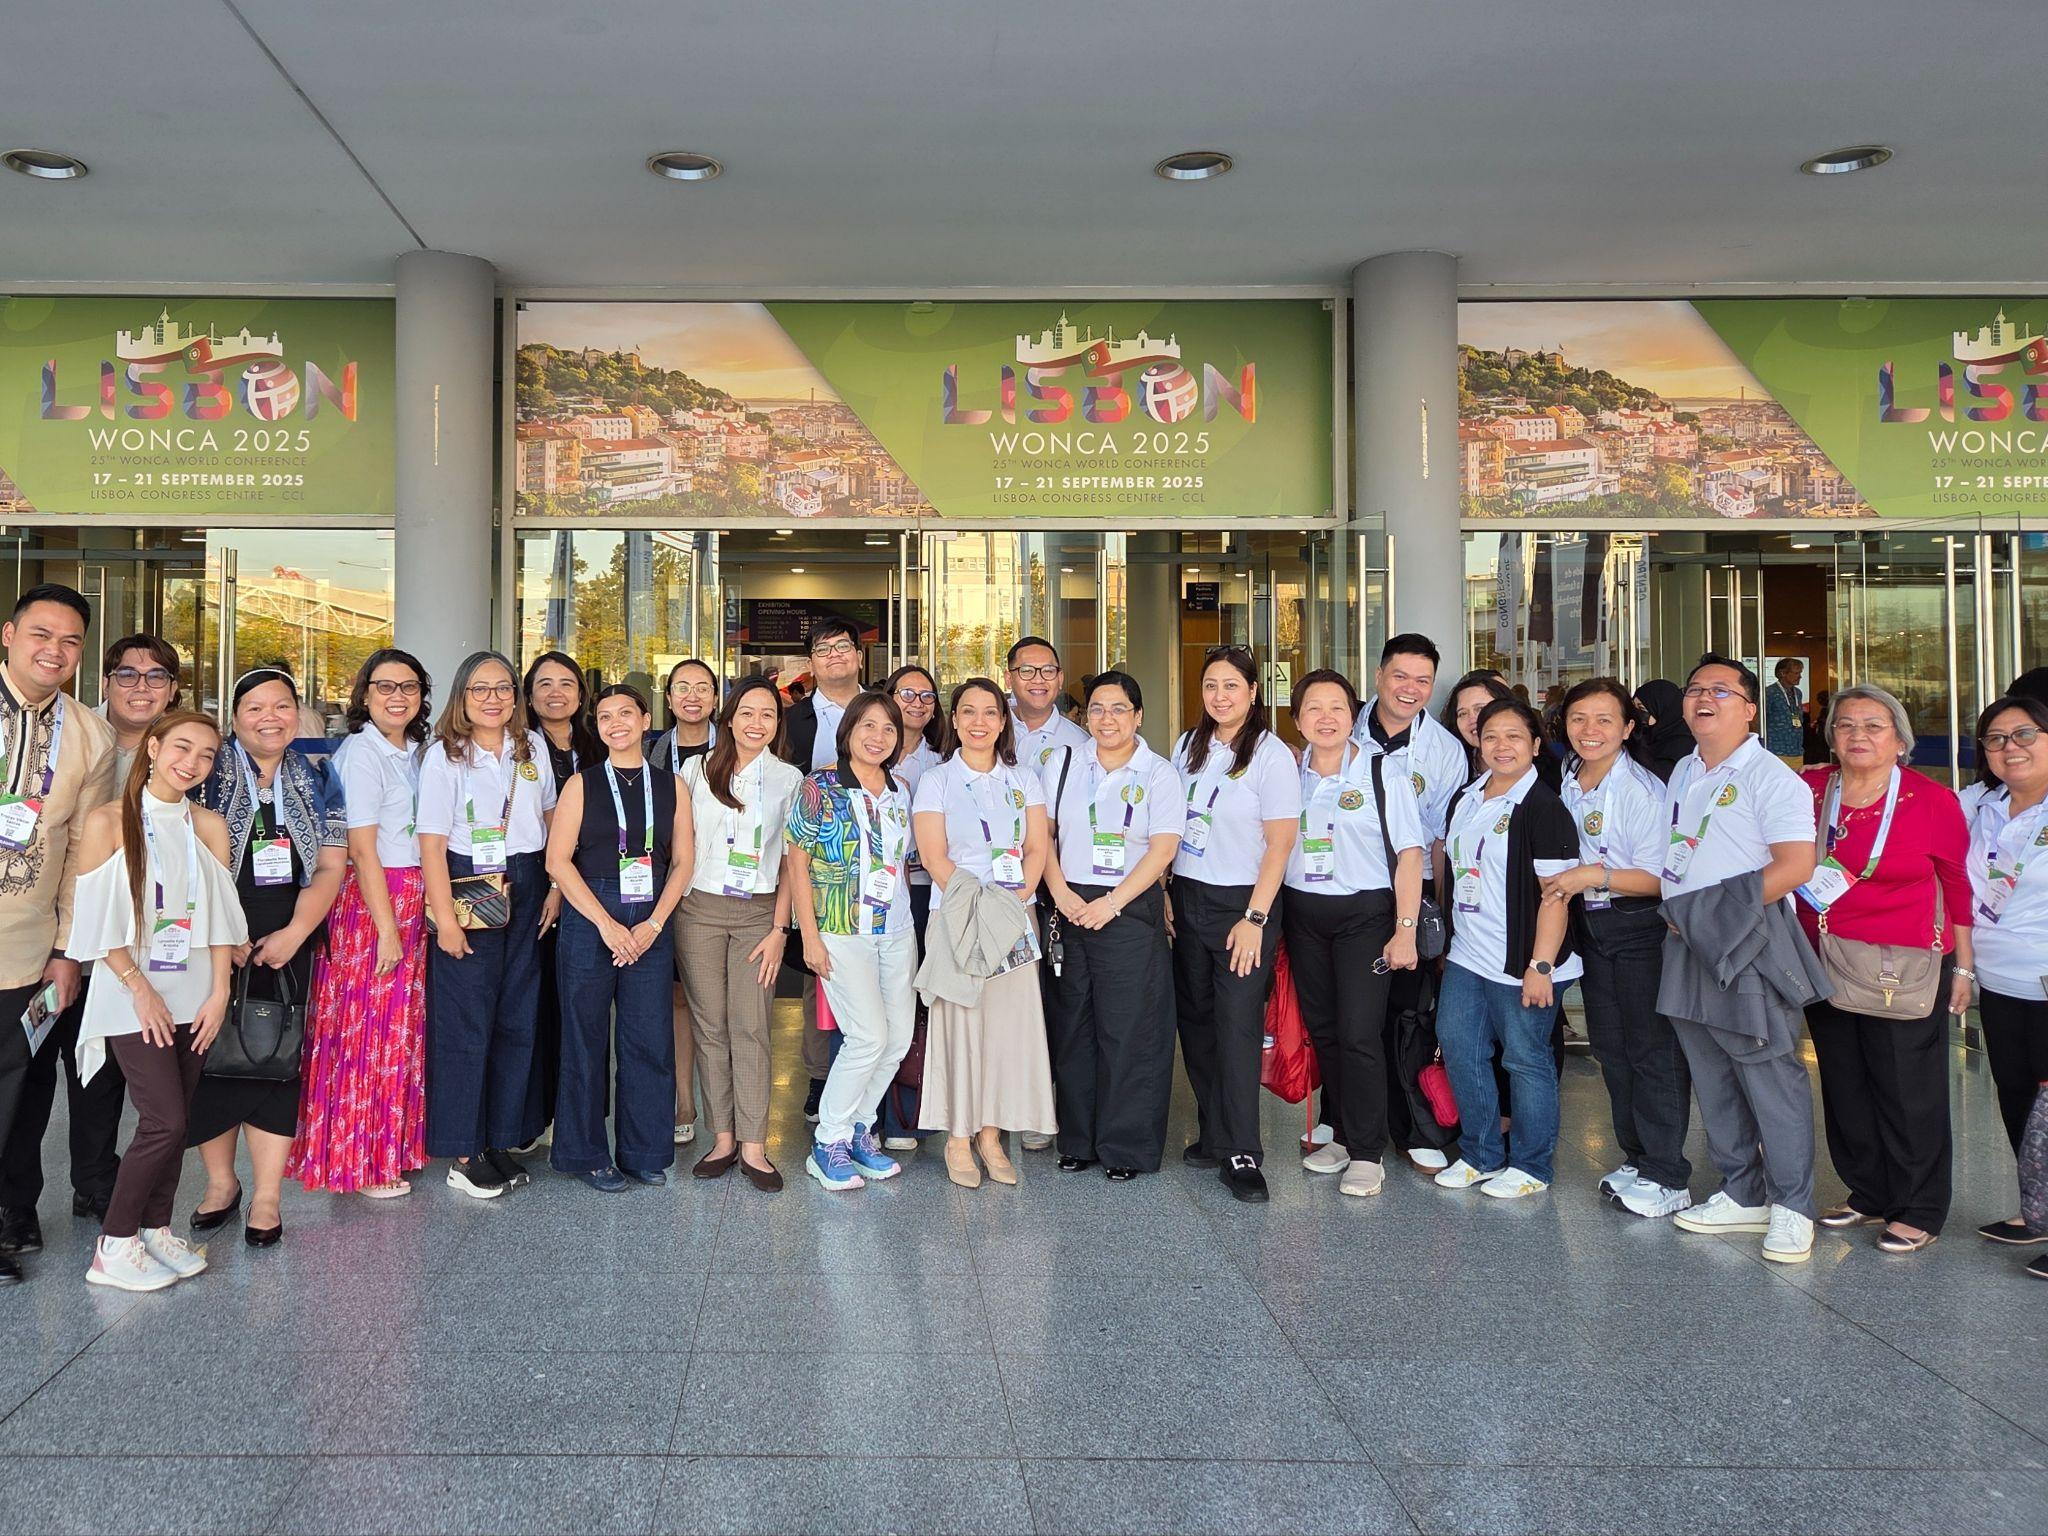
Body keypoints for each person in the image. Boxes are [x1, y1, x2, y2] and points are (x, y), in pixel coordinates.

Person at [0, 631, 170, 1237]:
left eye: (156, 676)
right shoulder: (80, 735)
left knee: (103, 1075)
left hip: (140, 949)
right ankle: (17, 1202)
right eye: (128, 674)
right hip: (61, 944)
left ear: (172, 689)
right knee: (36, 1066)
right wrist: (67, 946)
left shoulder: (184, 751)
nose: (141, 686)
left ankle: (95, 1184)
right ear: (106, 682)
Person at [67, 711, 242, 1290]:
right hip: (132, 993)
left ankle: (155, 1230)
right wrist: (139, 989)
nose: (191, 762)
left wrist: (220, 992)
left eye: (207, 755)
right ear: (154, 746)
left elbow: (221, 921)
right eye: (182, 747)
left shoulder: (209, 825)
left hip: (195, 992)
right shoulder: (107, 822)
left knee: (181, 1116)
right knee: (163, 1122)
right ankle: (114, 1245)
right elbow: (95, 926)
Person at [1660, 654, 1824, 1264]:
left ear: (1750, 709)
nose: (1705, 698)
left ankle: (1792, 1205)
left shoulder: (1771, 776)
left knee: (1770, 1074)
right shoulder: (1683, 768)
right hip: (1684, 939)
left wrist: (1715, 914)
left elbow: (1795, 866)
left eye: (1722, 691)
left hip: (1744, 939)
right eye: (1696, 689)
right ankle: (1741, 1190)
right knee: (1713, 1073)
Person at [1796, 685, 1969, 1255]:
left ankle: (1919, 1205)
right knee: (1845, 1083)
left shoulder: (1930, 799)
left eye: (1874, 726)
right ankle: (1869, 1190)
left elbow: (1956, 885)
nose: (1859, 736)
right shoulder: (1812, 788)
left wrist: (1964, 969)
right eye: (1846, 725)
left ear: (1899, 739)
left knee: (1906, 1089)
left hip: (1904, 961)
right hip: (1821, 956)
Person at [186, 666, 348, 1247]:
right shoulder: (206, 772)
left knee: (277, 1056)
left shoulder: (319, 777)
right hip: (212, 931)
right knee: (210, 1057)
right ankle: (221, 1184)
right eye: (255, 707)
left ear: (297, 713)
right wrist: (219, 933)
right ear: (235, 718)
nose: (269, 718)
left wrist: (298, 932)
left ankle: (268, 1195)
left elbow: (331, 863)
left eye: (281, 706)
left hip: (287, 933)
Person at [0, 585, 120, 1283]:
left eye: (71, 641)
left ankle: (16, 1213)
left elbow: (85, 851)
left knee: (24, 1085)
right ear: (8, 635)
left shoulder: (90, 734)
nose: (55, 650)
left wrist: (67, 950)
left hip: (29, 949)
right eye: (42, 634)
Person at [1539, 678, 1692, 1217]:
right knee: (1611, 1047)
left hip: (1639, 926)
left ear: (1628, 727)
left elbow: (1661, 878)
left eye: (1605, 720)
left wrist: (1592, 874)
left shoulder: (1641, 789)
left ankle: (1669, 1172)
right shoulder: (1569, 776)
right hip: (1593, 926)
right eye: (1579, 719)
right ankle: (1638, 1156)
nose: (1590, 731)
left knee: (1653, 1049)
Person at [287, 649, 432, 1198]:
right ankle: (360, 1160)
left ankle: (393, 1146)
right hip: (375, 901)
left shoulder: (416, 751)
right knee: (366, 1030)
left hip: (412, 892)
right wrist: (389, 929)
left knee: (401, 1029)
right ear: (364, 695)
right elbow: (362, 850)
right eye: (385, 686)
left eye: (410, 686)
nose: (398, 696)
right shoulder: (361, 754)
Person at [417, 650, 560, 1200]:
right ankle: (464, 1149)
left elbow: (548, 817)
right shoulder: (445, 757)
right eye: (481, 689)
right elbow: (430, 842)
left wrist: (550, 886)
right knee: (466, 1021)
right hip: (467, 881)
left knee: (516, 1017)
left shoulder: (532, 749)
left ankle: (500, 1137)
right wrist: (446, 921)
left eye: (503, 688)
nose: (494, 698)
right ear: (462, 697)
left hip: (524, 880)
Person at [1283, 669, 1424, 1198]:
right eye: (1313, 708)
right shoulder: (1286, 772)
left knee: (1361, 1031)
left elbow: (1410, 854)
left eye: (1337, 707)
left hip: (1366, 915)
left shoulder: (1383, 772)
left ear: (1353, 715)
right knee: (1326, 1031)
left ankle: (1368, 1151)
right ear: (1297, 720)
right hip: (1304, 913)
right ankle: (1340, 1134)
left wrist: (1404, 929)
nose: (1326, 718)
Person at [1433, 699, 1581, 1199]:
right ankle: (1480, 1154)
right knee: (1461, 1048)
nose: (1502, 746)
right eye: (1491, 735)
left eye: (1515, 736)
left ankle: (1533, 1166)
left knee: (1525, 1059)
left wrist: (1540, 965)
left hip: (1523, 960)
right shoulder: (1468, 798)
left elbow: (1556, 895)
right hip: (1468, 955)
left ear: (1536, 746)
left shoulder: (1544, 808)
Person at [545, 684, 691, 1191]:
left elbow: (684, 861)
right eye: (605, 717)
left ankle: (644, 1150)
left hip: (652, 911)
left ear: (646, 718)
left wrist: (652, 925)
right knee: (585, 1039)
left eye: (625, 713)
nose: (615, 724)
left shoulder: (672, 784)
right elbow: (557, 861)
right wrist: (606, 924)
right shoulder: (582, 785)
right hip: (592, 913)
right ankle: (586, 1154)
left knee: (648, 1037)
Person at [912, 678, 1057, 1187]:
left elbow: (1038, 847)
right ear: (953, 720)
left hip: (1015, 917)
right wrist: (984, 903)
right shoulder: (937, 781)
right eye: (968, 712)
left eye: (990, 713)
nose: (979, 722)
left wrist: (1014, 901)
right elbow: (934, 857)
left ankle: (992, 1135)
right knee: (960, 1025)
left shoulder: (1024, 780)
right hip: (958, 915)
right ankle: (957, 1137)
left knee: (1006, 1030)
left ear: (1003, 720)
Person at [1038, 671, 1182, 1181]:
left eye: (1119, 708)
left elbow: (1163, 849)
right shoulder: (1062, 763)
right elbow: (1043, 837)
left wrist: (1111, 904)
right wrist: (1060, 893)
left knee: (1130, 1031)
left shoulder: (1159, 773)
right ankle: (1077, 1138)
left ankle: (1125, 1146)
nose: (1107, 718)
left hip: (1129, 909)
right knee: (1073, 1026)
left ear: (1138, 715)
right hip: (1069, 903)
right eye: (1097, 708)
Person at [1170, 646, 1300, 1203]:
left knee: (1238, 1026)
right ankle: (1214, 1132)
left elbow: (1281, 843)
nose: (1220, 696)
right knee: (1196, 1022)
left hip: (1242, 907)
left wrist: (1255, 917)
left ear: (1252, 691)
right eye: (1211, 686)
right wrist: (1165, 893)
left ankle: (1244, 1151)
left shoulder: (1272, 757)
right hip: (1187, 895)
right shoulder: (1187, 746)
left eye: (1231, 686)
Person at [788, 690, 917, 1191]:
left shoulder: (900, 789)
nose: (878, 737)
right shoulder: (819, 786)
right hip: (840, 930)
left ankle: (860, 1129)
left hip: (896, 929)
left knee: (898, 1036)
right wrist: (810, 938)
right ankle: (829, 1141)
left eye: (888, 728)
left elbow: (899, 864)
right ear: (848, 732)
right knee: (866, 1037)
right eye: (867, 726)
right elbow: (796, 862)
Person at [679, 674, 800, 1193]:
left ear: (778, 723)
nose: (757, 723)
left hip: (757, 913)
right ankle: (722, 1137)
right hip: (698, 910)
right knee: (709, 1027)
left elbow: (796, 863)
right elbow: (680, 848)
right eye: (747, 712)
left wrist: (780, 928)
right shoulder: (694, 770)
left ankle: (754, 1143)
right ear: (728, 718)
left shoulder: (790, 779)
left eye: (768, 714)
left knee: (750, 1026)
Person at [1351, 634, 1466, 1173]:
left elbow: (1441, 840)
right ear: (1378, 675)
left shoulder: (1443, 750)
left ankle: (1415, 1126)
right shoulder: (1341, 725)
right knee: (1348, 1017)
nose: (1411, 689)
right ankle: (1345, 1122)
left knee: (1406, 1016)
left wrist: (1439, 913)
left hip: (1410, 893)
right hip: (1343, 891)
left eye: (1423, 680)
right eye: (1401, 676)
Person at [1960, 694, 2048, 1275]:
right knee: (2017, 1097)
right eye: (1996, 738)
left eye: (2024, 734)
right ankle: (2036, 1211)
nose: (2009, 747)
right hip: (1999, 979)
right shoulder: (1978, 804)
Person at [780, 616, 867, 1123]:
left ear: (859, 656)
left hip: (874, 866)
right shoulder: (791, 721)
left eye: (842, 647)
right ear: (811, 663)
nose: (833, 656)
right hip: (815, 864)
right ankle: (820, 1077)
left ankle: (872, 1075)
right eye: (823, 650)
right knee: (820, 973)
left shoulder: (882, 710)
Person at [519, 651, 599, 1150]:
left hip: (594, 890)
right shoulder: (517, 745)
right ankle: (533, 1115)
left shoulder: (598, 743)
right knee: (537, 1001)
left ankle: (574, 1115)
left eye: (566, 683)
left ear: (580, 694)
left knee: (579, 1008)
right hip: (539, 887)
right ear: (528, 695)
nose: (555, 692)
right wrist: (552, 885)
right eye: (544, 684)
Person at [876, 663, 944, 1150]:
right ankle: (874, 1113)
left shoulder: (944, 763)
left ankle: (911, 1109)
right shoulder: (870, 753)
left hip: (928, 892)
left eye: (927, 696)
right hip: (875, 896)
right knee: (876, 1002)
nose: (917, 703)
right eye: (907, 694)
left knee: (920, 1000)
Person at [652, 657, 718, 1147]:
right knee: (676, 997)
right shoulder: (653, 749)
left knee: (721, 1001)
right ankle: (683, 1100)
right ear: (669, 698)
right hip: (665, 886)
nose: (692, 696)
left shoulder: (737, 746)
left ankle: (727, 1104)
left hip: (721, 888)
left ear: (716, 698)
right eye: (682, 688)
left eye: (702, 687)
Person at [1006, 636, 1089, 771]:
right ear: (1009, 679)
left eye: (1048, 671)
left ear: (1060, 678)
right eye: (1027, 671)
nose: (1038, 680)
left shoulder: (1080, 743)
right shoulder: (987, 730)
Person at [1632, 680, 1692, 782]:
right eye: (1634, 707)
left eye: (1642, 709)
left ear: (1662, 709)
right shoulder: (1646, 738)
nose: (1637, 714)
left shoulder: (1680, 748)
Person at [1767, 658, 1807, 768]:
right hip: (1775, 750)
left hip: (1796, 749)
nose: (1799, 676)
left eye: (1800, 673)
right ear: (1783, 673)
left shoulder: (1798, 693)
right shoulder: (1769, 693)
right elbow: (1759, 721)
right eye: (1796, 673)